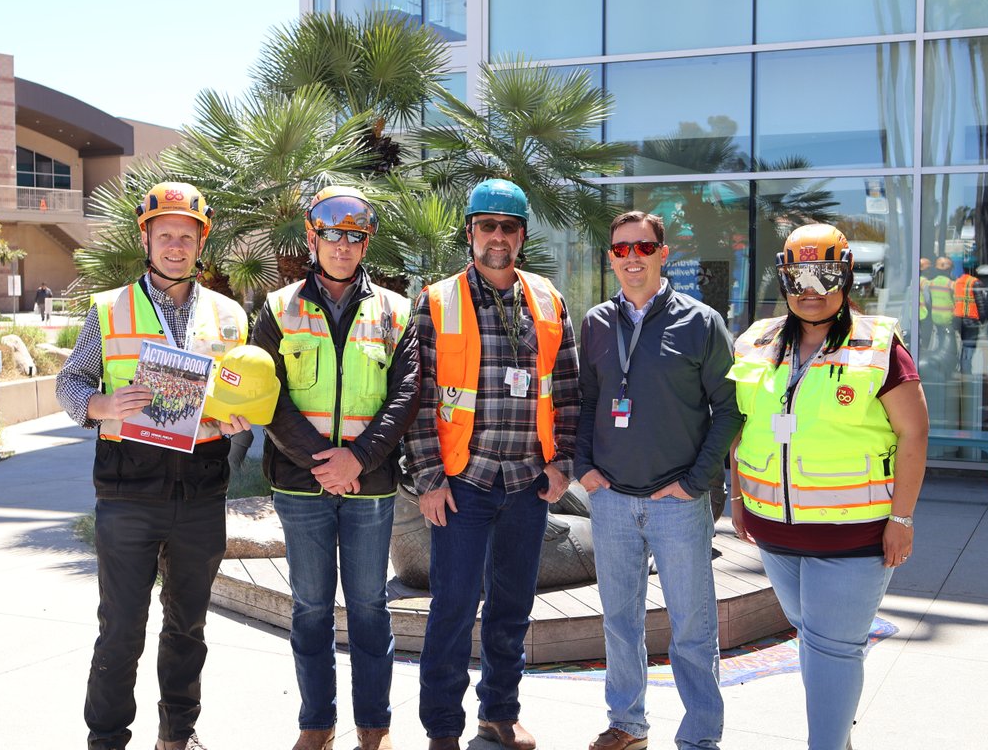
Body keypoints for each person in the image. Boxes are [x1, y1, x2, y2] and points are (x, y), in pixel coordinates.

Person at [57, 182, 250, 750]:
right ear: (145, 237)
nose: (174, 245)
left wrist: (240, 419)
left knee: (188, 628)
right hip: (128, 492)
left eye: (185, 236)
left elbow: (242, 391)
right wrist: (100, 405)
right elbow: (71, 381)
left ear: (200, 243)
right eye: (164, 234)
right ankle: (108, 739)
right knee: (120, 631)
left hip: (202, 491)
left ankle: (178, 736)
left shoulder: (229, 315)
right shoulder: (108, 309)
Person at [727, 224, 928, 750]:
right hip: (774, 534)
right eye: (798, 277)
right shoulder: (756, 340)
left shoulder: (880, 343)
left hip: (854, 537)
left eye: (825, 275)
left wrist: (901, 519)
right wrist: (738, 499)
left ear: (845, 275)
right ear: (783, 277)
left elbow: (914, 433)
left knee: (833, 647)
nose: (810, 290)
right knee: (815, 641)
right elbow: (739, 425)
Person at [405, 178, 579, 750]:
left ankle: (499, 713)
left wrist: (561, 466)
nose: (497, 237)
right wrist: (429, 479)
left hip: (529, 484)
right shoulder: (436, 301)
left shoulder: (549, 300)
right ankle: (443, 729)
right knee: (452, 608)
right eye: (487, 226)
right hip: (464, 485)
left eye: (508, 226)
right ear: (470, 233)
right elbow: (419, 397)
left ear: (522, 235)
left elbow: (569, 388)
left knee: (512, 607)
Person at [250, 186, 419, 750]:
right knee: (311, 607)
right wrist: (326, 463)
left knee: (370, 608)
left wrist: (358, 459)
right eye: (332, 235)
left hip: (369, 485)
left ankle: (374, 728)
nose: (342, 247)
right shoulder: (277, 309)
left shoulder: (397, 311)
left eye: (354, 237)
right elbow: (266, 396)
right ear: (311, 238)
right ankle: (316, 725)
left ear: (366, 242)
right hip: (302, 485)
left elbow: (406, 394)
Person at [575, 211, 741, 750]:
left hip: (677, 502)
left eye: (643, 247)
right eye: (621, 249)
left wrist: (697, 483)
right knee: (620, 623)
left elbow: (730, 410)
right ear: (611, 258)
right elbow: (589, 402)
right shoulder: (597, 322)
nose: (632, 258)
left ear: (663, 254)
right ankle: (627, 724)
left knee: (693, 629)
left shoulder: (701, 322)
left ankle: (700, 736)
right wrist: (585, 468)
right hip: (612, 500)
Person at [952, 262, 986, 375]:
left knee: (963, 344)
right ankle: (966, 371)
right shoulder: (974, 282)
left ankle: (962, 367)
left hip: (958, 317)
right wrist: (983, 318)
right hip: (970, 318)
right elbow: (980, 302)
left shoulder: (957, 282)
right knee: (969, 345)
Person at [926, 257, 954, 352]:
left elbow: (928, 300)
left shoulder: (931, 283)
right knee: (948, 343)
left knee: (939, 340)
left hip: (935, 316)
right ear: (949, 270)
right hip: (948, 318)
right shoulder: (951, 284)